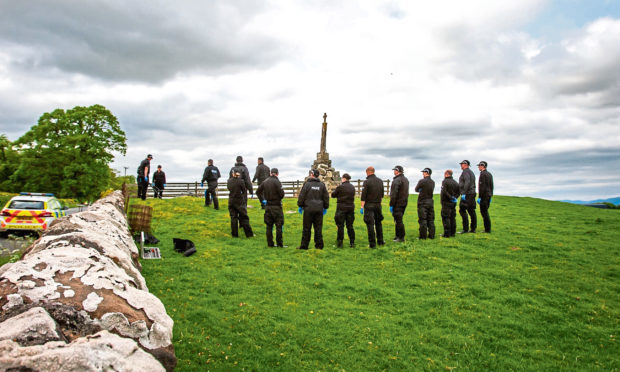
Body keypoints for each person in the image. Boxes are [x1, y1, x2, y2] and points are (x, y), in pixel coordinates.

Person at [297, 169, 329, 250]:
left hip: (308, 209)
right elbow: (326, 197)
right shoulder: (322, 185)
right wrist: (325, 207)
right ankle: (319, 245)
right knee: (318, 227)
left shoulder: (306, 184)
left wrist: (300, 205)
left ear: (312, 174)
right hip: (319, 209)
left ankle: (304, 246)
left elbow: (302, 196)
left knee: (306, 228)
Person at [257, 168, 285, 247]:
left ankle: (270, 244)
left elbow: (258, 192)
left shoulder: (265, 182)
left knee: (269, 225)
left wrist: (262, 200)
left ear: (270, 173)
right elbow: (282, 194)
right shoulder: (277, 182)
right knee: (279, 225)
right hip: (276, 206)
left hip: (268, 205)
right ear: (277, 174)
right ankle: (279, 244)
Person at [360, 166, 385, 248]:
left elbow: (363, 196)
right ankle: (380, 241)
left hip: (369, 205)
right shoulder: (380, 181)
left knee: (370, 224)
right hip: (378, 205)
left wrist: (361, 207)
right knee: (378, 223)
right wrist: (379, 204)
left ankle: (372, 244)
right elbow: (382, 195)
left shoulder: (366, 182)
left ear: (367, 172)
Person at [226, 168, 254, 238]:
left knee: (233, 218)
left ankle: (234, 235)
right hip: (239, 201)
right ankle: (249, 234)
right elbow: (244, 190)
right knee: (244, 217)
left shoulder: (229, 181)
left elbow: (228, 188)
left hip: (231, 200)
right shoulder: (241, 181)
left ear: (233, 173)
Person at [331, 173, 355, 247]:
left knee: (340, 225)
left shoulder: (340, 187)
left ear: (344, 178)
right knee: (350, 225)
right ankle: (352, 242)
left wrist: (337, 191)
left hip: (341, 208)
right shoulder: (352, 187)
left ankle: (340, 242)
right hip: (350, 207)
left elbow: (333, 195)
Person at [389, 165, 409, 242]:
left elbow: (394, 194)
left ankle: (401, 237)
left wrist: (391, 204)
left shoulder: (396, 180)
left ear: (397, 171)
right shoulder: (406, 179)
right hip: (404, 202)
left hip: (397, 203)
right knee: (397, 219)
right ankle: (397, 235)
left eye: (395, 170)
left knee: (398, 220)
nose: (394, 171)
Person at [415, 168, 436, 239]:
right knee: (430, 219)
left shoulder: (422, 181)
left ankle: (423, 236)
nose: (422, 173)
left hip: (422, 202)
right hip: (430, 201)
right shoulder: (433, 182)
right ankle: (432, 235)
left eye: (423, 172)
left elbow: (416, 189)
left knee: (423, 219)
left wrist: (421, 189)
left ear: (427, 173)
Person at [458, 160, 477, 233]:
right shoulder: (471, 172)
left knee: (462, 210)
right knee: (471, 210)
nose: (461, 165)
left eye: (462, 164)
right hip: (472, 193)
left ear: (466, 165)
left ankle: (465, 229)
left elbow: (467, 182)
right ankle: (473, 228)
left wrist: (464, 193)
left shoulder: (465, 172)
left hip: (467, 194)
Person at [440, 169, 460, 238]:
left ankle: (446, 234)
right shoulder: (455, 182)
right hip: (453, 203)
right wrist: (455, 198)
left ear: (446, 174)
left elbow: (444, 191)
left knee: (446, 217)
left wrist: (450, 197)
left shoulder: (445, 182)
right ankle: (453, 233)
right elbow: (459, 192)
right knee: (452, 218)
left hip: (446, 202)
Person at [477, 161, 494, 233]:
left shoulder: (483, 174)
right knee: (485, 211)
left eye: (479, 166)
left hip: (484, 195)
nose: (478, 167)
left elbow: (482, 187)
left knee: (484, 212)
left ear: (482, 166)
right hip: (489, 195)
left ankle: (487, 229)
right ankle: (487, 228)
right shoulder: (489, 174)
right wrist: (491, 195)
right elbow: (491, 186)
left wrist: (480, 196)